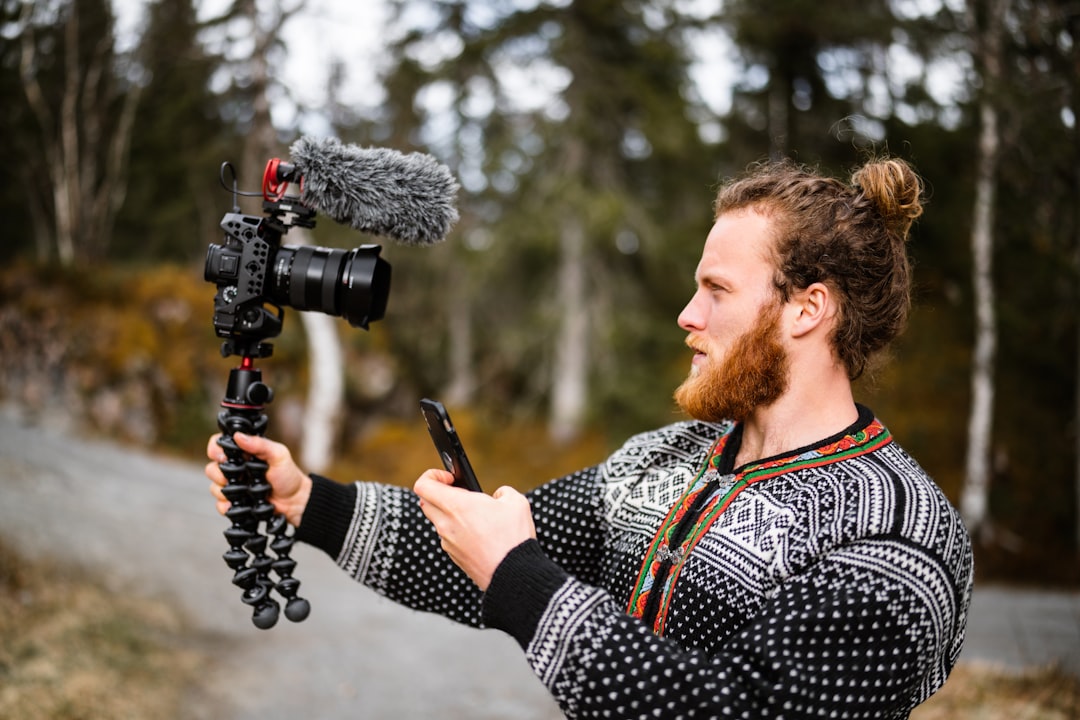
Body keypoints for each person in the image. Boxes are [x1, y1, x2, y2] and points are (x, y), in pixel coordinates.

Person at [206, 157, 974, 719]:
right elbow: (496, 555)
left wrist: (519, 576)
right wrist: (308, 503)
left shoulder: (900, 536)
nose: (688, 315)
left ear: (807, 310)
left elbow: (733, 711)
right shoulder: (663, 461)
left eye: (717, 291)